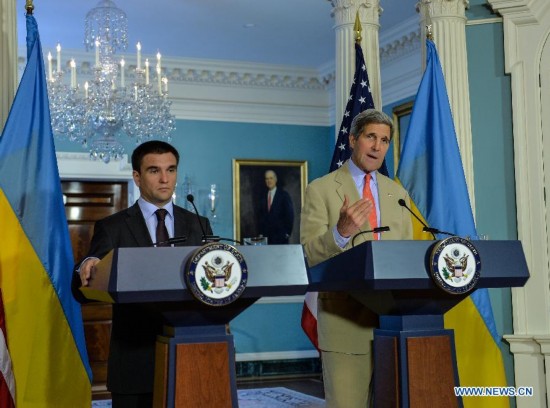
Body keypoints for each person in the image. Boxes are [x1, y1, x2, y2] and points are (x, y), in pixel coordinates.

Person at [72, 140, 212, 407]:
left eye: (171, 170)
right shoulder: (112, 226)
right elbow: (85, 281)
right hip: (134, 361)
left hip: (190, 355)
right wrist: (88, 262)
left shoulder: (198, 223)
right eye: (153, 170)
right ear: (137, 177)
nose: (164, 179)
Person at [300, 109, 413, 407]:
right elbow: (309, 255)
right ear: (353, 140)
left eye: (385, 140)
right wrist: (340, 232)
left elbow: (407, 254)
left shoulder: (397, 193)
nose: (377, 147)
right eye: (370, 137)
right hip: (345, 321)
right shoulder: (321, 189)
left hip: (394, 322)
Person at [258, 169, 294, 244]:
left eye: (271, 178)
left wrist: (287, 233)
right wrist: (261, 232)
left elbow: (290, 214)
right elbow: (260, 216)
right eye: (267, 179)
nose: (269, 181)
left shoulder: (284, 195)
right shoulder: (262, 196)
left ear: (275, 179)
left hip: (280, 237)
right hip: (266, 238)